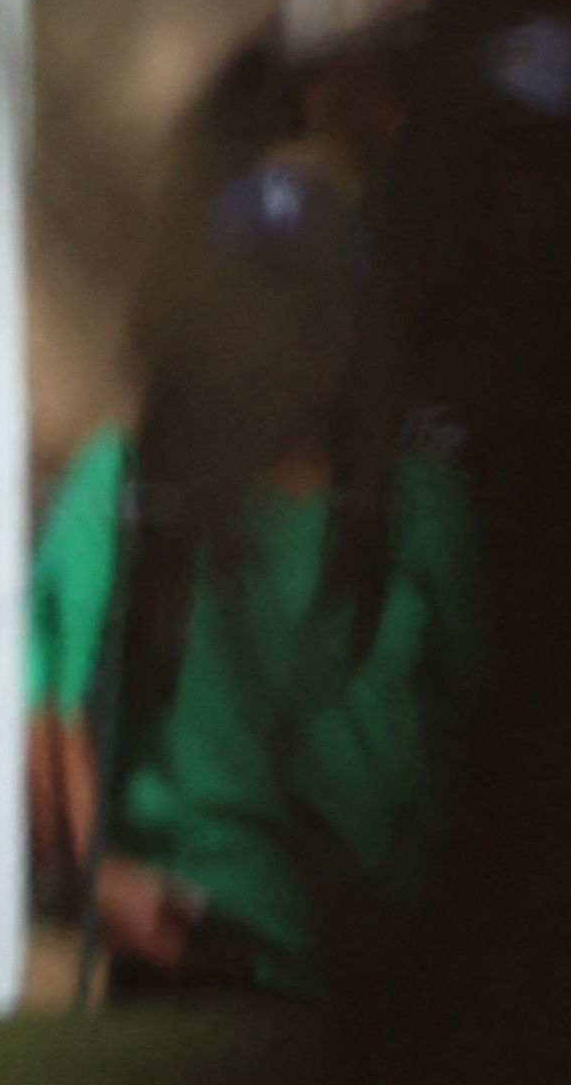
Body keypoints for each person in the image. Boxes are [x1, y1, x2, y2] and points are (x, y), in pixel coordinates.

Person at [27, 162, 483, 999]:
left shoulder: (423, 506)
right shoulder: (125, 485)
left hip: (382, 963)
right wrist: (99, 879)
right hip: (188, 951)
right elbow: (44, 702)